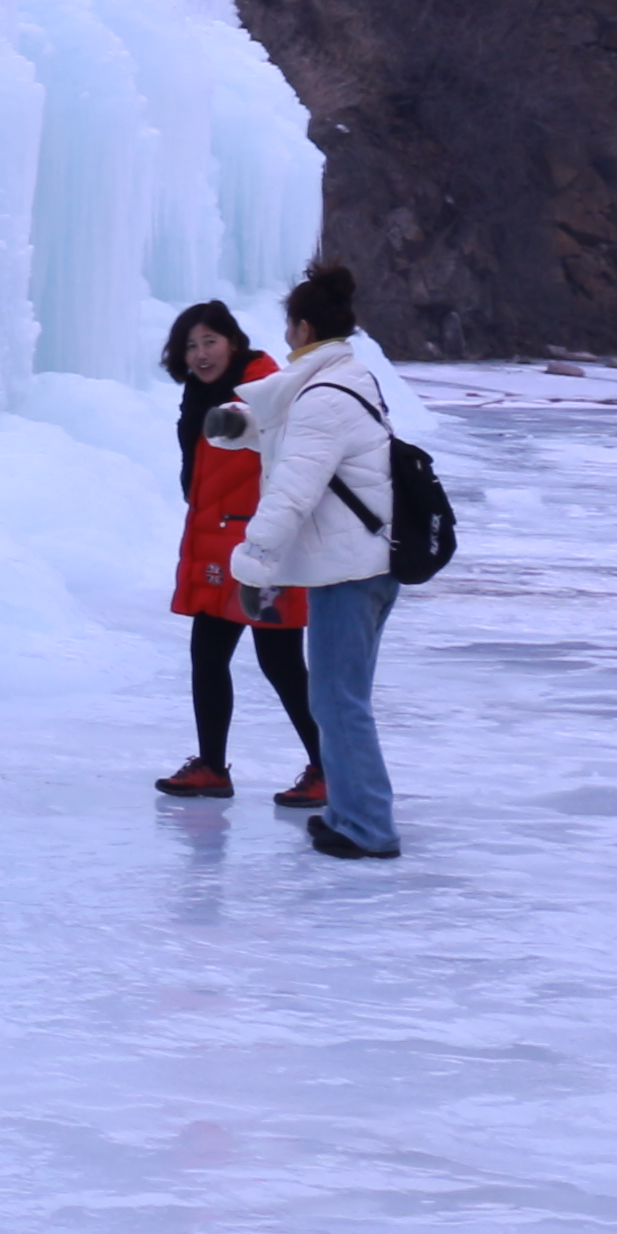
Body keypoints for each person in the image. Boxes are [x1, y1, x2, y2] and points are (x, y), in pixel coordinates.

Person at [222, 260, 406, 862]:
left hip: (349, 572)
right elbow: (292, 432)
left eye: (287, 328)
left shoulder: (324, 397)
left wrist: (253, 566)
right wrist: (242, 427)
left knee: (337, 701)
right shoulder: (344, 381)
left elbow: (293, 491)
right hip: (363, 565)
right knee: (339, 698)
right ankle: (354, 813)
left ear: (301, 329)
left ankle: (368, 827)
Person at [153, 299, 322, 807]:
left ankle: (329, 766)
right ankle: (211, 766)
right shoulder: (198, 394)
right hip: (217, 546)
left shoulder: (264, 390)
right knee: (207, 655)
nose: (201, 354)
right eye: (191, 345)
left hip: (262, 547)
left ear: (233, 341)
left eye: (210, 342)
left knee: (280, 661)